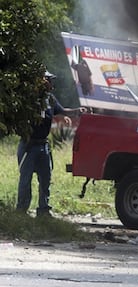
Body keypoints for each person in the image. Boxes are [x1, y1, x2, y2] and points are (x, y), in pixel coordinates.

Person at [16, 70, 87, 217]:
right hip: (29, 146)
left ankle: (43, 210)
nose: (51, 84)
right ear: (41, 81)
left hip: (43, 146)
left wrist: (77, 111)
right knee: (25, 180)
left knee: (45, 179)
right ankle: (21, 211)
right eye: (49, 80)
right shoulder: (29, 98)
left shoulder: (50, 99)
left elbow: (62, 111)